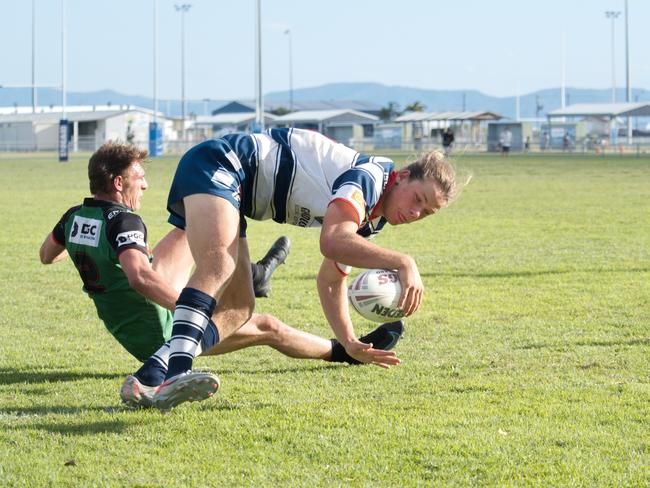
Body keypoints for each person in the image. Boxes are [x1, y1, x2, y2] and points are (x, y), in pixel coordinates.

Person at [39, 142, 404, 408]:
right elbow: (140, 279)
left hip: (127, 322)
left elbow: (46, 255)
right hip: (163, 329)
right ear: (119, 184)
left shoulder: (72, 217)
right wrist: (192, 311)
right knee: (265, 325)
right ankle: (341, 352)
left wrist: (94, 263)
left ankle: (254, 274)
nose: (146, 185)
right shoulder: (125, 220)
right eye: (139, 178)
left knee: (200, 223)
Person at [151, 127, 457, 410]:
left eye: (426, 212)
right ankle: (175, 375)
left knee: (239, 307)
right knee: (218, 265)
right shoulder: (370, 177)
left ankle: (150, 373)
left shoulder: (372, 219)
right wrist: (404, 261)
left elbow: (330, 281)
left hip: (237, 190)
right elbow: (333, 240)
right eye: (418, 198)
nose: (416, 212)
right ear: (402, 177)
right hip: (223, 161)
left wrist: (350, 342)